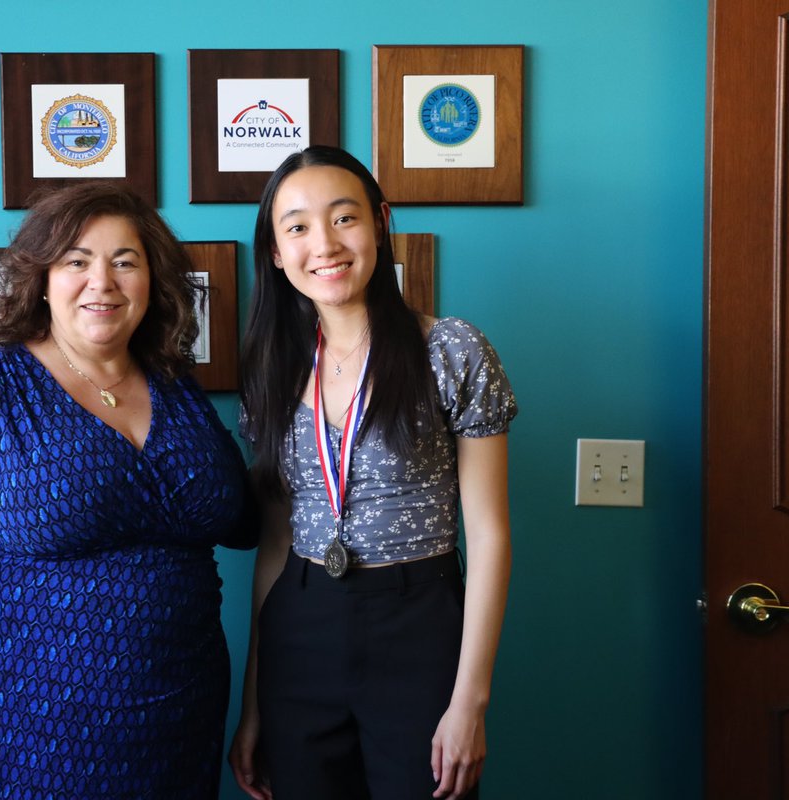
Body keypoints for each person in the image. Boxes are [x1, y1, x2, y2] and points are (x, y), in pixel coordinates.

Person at [0, 183, 255, 799]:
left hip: (180, 715)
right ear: (41, 278)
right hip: (28, 722)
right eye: (77, 261)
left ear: (151, 280)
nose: (101, 281)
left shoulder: (176, 385)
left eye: (124, 262)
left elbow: (242, 520)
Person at [228, 146, 516, 800]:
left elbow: (492, 534)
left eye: (344, 218)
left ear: (381, 221)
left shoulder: (451, 349)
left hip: (418, 625)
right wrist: (254, 708)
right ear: (276, 252)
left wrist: (470, 701)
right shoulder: (273, 370)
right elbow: (274, 548)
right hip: (300, 633)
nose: (323, 243)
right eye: (296, 226)